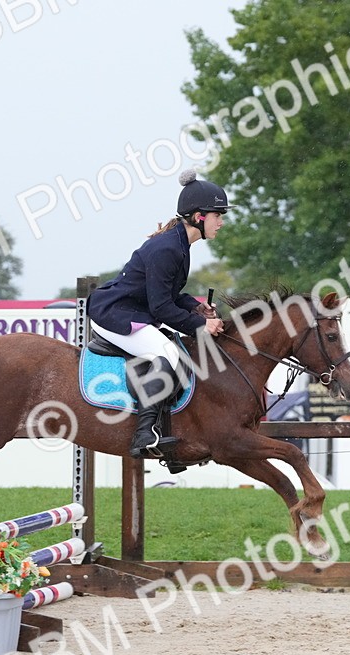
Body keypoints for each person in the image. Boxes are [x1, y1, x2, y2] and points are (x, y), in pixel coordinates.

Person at [87, 169, 228, 458]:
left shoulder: (179, 244)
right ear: (199, 216)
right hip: (115, 315)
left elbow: (168, 295)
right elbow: (161, 308)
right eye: (218, 215)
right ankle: (144, 435)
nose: (221, 223)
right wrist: (201, 325)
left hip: (132, 309)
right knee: (169, 355)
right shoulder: (169, 249)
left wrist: (194, 306)